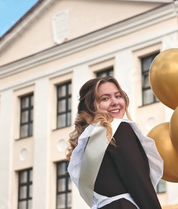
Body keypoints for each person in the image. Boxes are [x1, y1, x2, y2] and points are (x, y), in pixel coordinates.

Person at [67, 76, 163, 209]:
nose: (115, 102)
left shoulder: (89, 139)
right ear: (90, 106)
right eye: (105, 98)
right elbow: (137, 180)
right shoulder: (118, 129)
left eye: (118, 96)